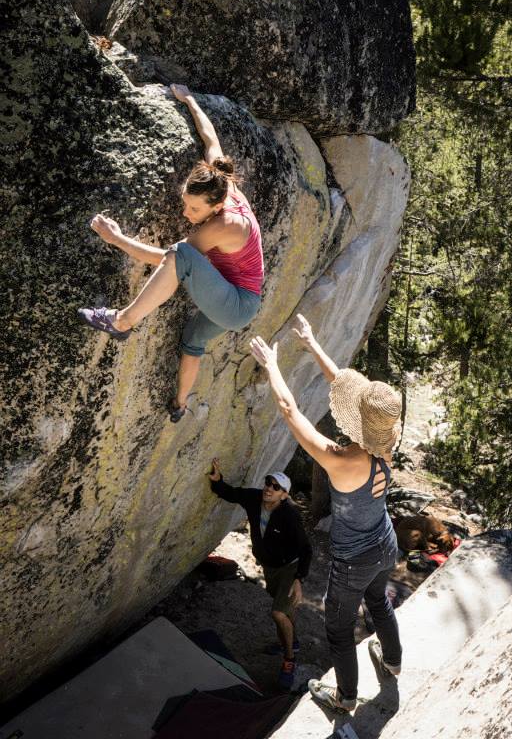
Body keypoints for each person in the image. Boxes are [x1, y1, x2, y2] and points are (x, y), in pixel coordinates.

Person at [78, 84, 264, 422]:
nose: (186, 214)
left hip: (237, 303)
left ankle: (122, 321)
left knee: (181, 253)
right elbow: (211, 141)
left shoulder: (226, 224)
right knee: (192, 340)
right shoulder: (223, 183)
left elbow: (172, 260)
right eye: (186, 204)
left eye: (193, 209)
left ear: (216, 205)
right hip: (242, 302)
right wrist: (190, 100)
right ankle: (180, 405)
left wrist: (117, 238)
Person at [250, 314, 402, 714]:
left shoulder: (341, 461)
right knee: (379, 602)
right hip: (386, 543)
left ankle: (345, 697)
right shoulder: (388, 442)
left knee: (338, 629)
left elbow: (289, 409)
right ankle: (393, 662)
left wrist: (272, 366)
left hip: (354, 560)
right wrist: (312, 342)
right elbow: (351, 392)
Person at [208, 458, 312, 691]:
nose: (269, 488)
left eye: (276, 487)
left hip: (289, 567)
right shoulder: (255, 499)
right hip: (270, 567)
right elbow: (231, 493)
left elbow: (306, 548)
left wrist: (299, 579)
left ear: (284, 495)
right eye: (268, 483)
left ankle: (289, 661)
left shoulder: (289, 515)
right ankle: (291, 642)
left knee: (278, 612)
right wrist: (217, 481)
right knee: (285, 609)